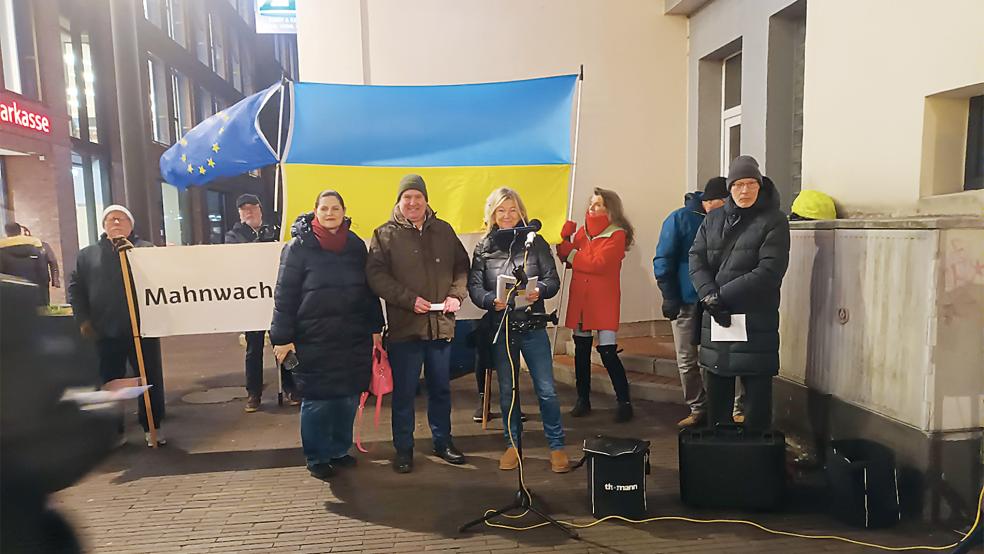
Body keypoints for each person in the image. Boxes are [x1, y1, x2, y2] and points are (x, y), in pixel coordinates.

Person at [269, 190, 384, 481]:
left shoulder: (356, 245)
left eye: (335, 208)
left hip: (352, 337)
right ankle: (317, 456)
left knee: (346, 399)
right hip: (312, 340)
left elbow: (369, 291)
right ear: (315, 212)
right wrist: (281, 338)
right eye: (325, 208)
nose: (330, 213)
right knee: (318, 401)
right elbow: (284, 297)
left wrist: (375, 328)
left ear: (344, 211)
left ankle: (338, 450)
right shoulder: (297, 248)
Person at [366, 174, 470, 474]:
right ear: (399, 201)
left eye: (418, 197)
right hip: (404, 328)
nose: (413, 203)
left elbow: (462, 267)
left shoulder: (444, 230)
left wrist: (456, 295)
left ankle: (443, 442)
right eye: (407, 197)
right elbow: (376, 277)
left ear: (426, 200)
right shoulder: (384, 234)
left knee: (441, 390)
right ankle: (404, 448)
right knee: (404, 393)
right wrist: (407, 299)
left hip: (440, 327)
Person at [468, 188, 569, 473]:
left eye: (512, 210)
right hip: (502, 326)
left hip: (533, 324)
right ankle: (512, 444)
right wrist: (490, 300)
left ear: (521, 212)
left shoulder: (535, 243)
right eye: (501, 210)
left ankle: (557, 446)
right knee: (508, 392)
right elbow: (475, 286)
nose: (508, 215)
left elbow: (552, 279)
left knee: (546, 390)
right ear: (493, 215)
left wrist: (540, 291)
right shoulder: (483, 246)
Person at [689, 156, 790, 431]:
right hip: (717, 319)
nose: (744, 190)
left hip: (756, 320)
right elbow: (696, 258)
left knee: (757, 396)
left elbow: (769, 271)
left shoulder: (774, 221)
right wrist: (708, 295)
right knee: (718, 391)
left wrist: (720, 297)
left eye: (750, 184)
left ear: (760, 185)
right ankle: (721, 455)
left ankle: (756, 460)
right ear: (730, 188)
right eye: (738, 184)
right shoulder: (713, 220)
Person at [68, 205, 167, 446]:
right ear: (103, 225)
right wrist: (83, 319)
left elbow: (163, 278)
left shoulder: (144, 250)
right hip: (106, 329)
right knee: (111, 381)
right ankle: (114, 430)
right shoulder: (88, 255)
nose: (115, 223)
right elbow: (76, 289)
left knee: (147, 378)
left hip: (141, 329)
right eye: (110, 219)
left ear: (131, 225)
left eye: (121, 219)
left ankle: (151, 426)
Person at [653, 177, 728, 428]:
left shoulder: (727, 217)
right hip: (686, 299)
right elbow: (663, 259)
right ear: (708, 201)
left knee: (718, 356)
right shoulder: (680, 219)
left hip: (717, 300)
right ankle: (698, 407)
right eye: (721, 203)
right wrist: (669, 294)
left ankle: (720, 408)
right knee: (686, 359)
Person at [557, 187, 636, 422]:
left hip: (603, 300)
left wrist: (569, 250)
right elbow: (569, 260)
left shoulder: (616, 235)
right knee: (581, 351)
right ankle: (583, 399)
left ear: (609, 208)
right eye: (591, 204)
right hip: (582, 298)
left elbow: (597, 264)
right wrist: (563, 240)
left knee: (607, 352)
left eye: (598, 204)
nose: (592, 208)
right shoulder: (583, 232)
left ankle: (624, 401)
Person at [224, 193, 289, 412]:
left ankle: (290, 386)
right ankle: (253, 393)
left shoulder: (276, 231)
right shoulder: (233, 235)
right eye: (244, 209)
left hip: (276, 298)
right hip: (252, 300)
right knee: (254, 348)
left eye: (252, 207)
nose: (249, 212)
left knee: (284, 342)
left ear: (260, 209)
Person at [0, 222, 50, 306]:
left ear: (7, 232)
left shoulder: (1, 251)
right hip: (35, 294)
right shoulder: (36, 247)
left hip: (10, 297)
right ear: (20, 231)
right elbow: (43, 273)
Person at [21, 225, 61, 291]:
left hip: (41, 280)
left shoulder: (43, 245)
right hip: (25, 281)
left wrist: (55, 279)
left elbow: (53, 262)